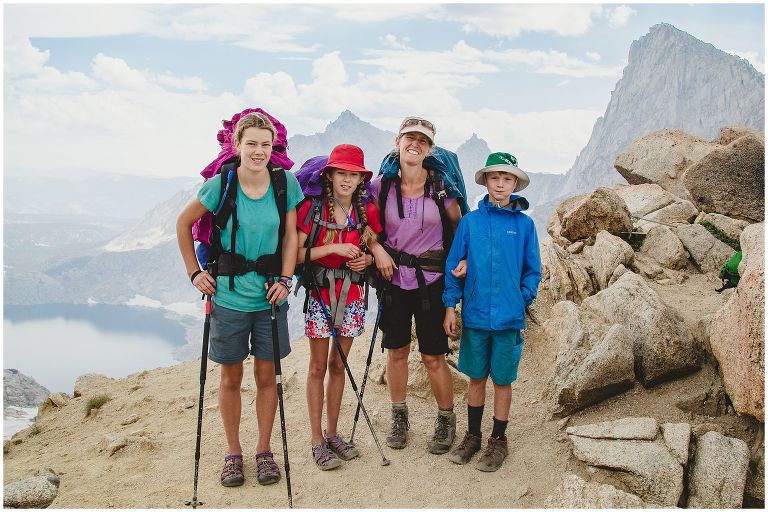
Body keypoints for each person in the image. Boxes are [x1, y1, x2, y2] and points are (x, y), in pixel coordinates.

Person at [176, 112, 303, 487]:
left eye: (266, 145)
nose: (259, 151)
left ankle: (264, 452)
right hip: (229, 298)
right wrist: (194, 273)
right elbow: (183, 224)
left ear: (273, 147)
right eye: (252, 144)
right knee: (231, 377)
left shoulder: (285, 184)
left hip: (269, 298)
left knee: (267, 377)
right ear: (237, 145)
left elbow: (290, 237)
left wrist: (286, 277)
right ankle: (234, 453)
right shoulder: (221, 184)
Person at [442, 151, 541, 472]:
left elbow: (532, 270)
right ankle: (472, 436)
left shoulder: (524, 226)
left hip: (508, 317)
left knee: (501, 380)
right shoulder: (471, 223)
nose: (500, 184)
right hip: (475, 315)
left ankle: (498, 439)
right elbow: (453, 265)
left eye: (507, 178)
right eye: (495, 178)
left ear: (516, 183)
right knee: (475, 377)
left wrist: (520, 297)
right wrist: (450, 306)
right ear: (485, 181)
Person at [369, 116, 462, 454]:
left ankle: (446, 418)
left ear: (429, 148)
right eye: (410, 137)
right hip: (393, 279)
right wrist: (377, 248)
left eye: (422, 141)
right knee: (396, 351)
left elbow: (460, 225)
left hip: (433, 282)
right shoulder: (381, 187)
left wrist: (464, 261)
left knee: (433, 355)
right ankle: (399, 416)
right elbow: (363, 221)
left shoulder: (441, 188)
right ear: (398, 142)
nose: (415, 144)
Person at [296, 144, 384, 470]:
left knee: (338, 365)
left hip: (353, 294)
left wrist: (369, 258)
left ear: (362, 179)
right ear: (329, 175)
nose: (347, 179)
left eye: (353, 174)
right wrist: (334, 246)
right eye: (341, 173)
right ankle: (317, 440)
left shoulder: (367, 213)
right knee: (318, 367)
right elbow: (294, 256)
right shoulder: (312, 210)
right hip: (320, 293)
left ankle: (333, 434)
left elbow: (377, 249)